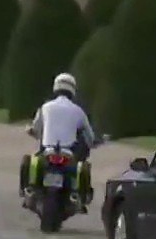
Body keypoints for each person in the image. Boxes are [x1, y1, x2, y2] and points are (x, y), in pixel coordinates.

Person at [21, 73, 98, 211]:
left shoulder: (45, 107)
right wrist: (96, 141)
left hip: (47, 152)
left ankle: (26, 190)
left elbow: (36, 129)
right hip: (68, 154)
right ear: (73, 90)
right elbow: (90, 137)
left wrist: (31, 131)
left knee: (27, 161)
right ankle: (82, 197)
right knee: (84, 167)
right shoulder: (78, 111)